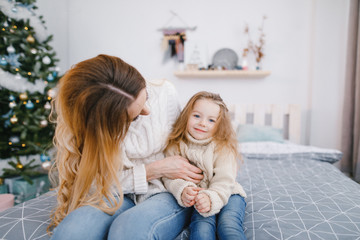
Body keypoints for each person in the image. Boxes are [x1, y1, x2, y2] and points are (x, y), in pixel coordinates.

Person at [49, 54, 203, 240]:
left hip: (167, 190)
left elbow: (192, 149)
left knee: (129, 231)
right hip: (117, 192)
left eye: (146, 96)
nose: (148, 111)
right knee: (71, 233)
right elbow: (94, 187)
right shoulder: (89, 130)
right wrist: (153, 170)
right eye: (134, 117)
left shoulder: (165, 92)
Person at [163, 91, 247, 240]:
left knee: (228, 226)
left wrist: (211, 197)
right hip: (200, 201)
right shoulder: (175, 145)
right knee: (201, 230)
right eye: (196, 116)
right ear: (186, 116)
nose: (202, 123)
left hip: (228, 194)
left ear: (220, 124)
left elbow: (224, 181)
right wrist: (182, 189)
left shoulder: (223, 148)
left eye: (211, 120)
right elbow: (169, 178)